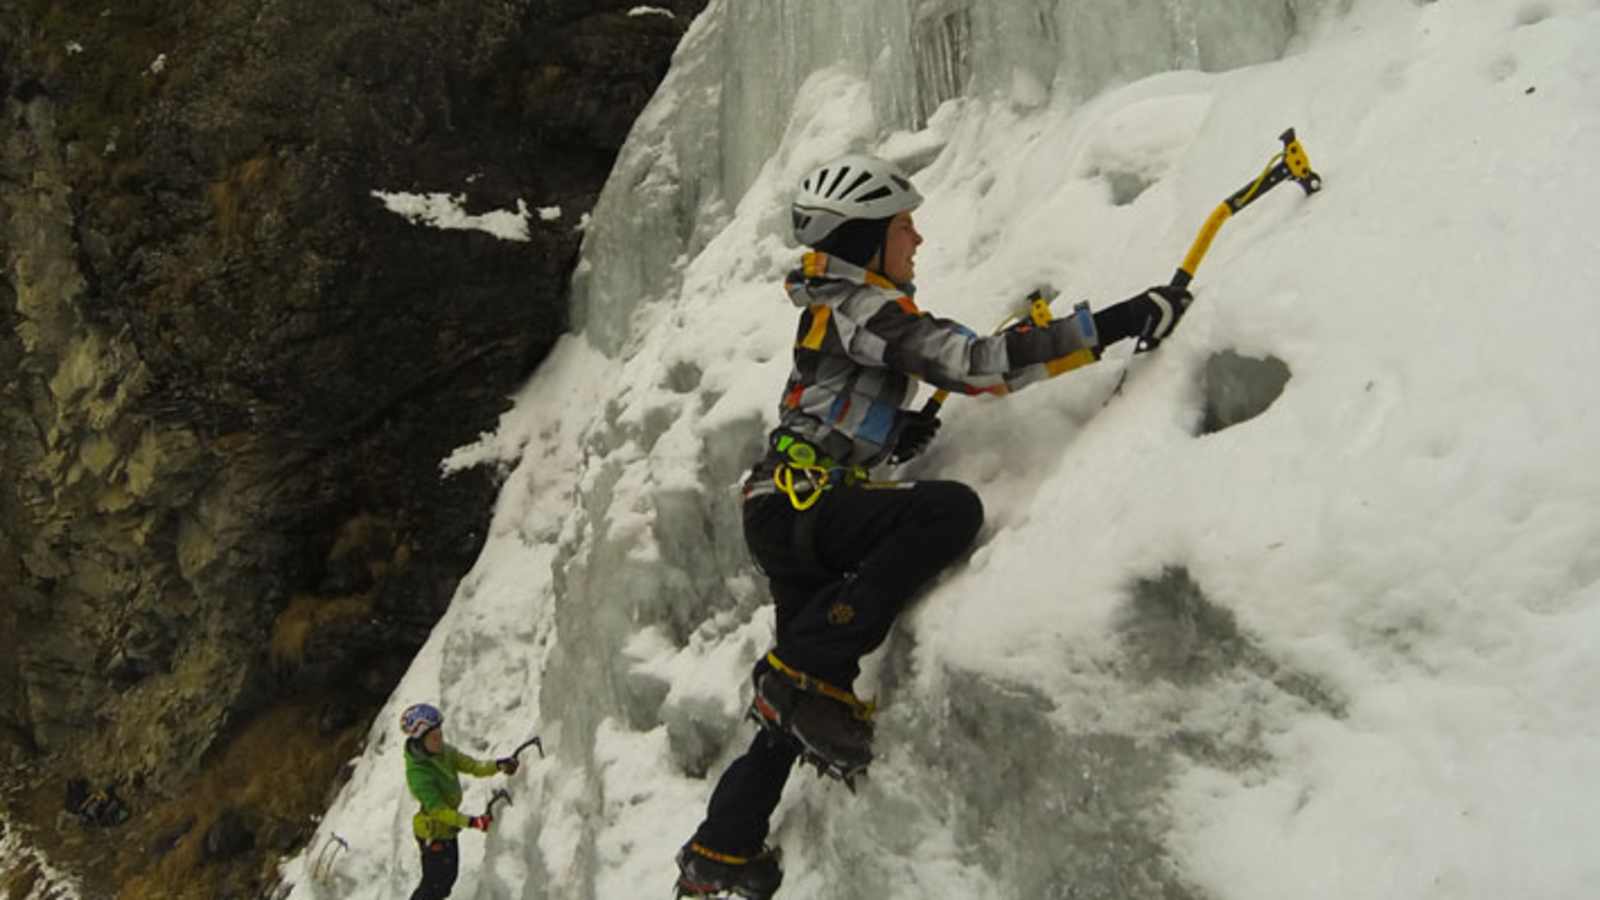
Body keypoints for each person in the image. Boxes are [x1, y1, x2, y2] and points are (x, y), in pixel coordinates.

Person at [673, 154, 1192, 899]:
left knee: (798, 694)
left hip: (787, 505)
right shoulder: (864, 307)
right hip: (805, 505)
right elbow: (979, 364)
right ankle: (796, 682)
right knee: (947, 513)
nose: (917, 239)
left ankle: (719, 854)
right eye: (903, 227)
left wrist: (892, 433)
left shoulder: (832, 306)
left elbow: (824, 403)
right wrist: (1117, 321)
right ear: (863, 240)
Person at [400, 703, 520, 900]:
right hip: (433, 833)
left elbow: (473, 766)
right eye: (433, 738)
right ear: (420, 741)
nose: (439, 741)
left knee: (446, 882)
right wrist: (472, 822)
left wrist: (499, 765)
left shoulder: (443, 752)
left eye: (440, 734)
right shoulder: (418, 774)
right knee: (433, 886)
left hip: (447, 829)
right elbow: (438, 811)